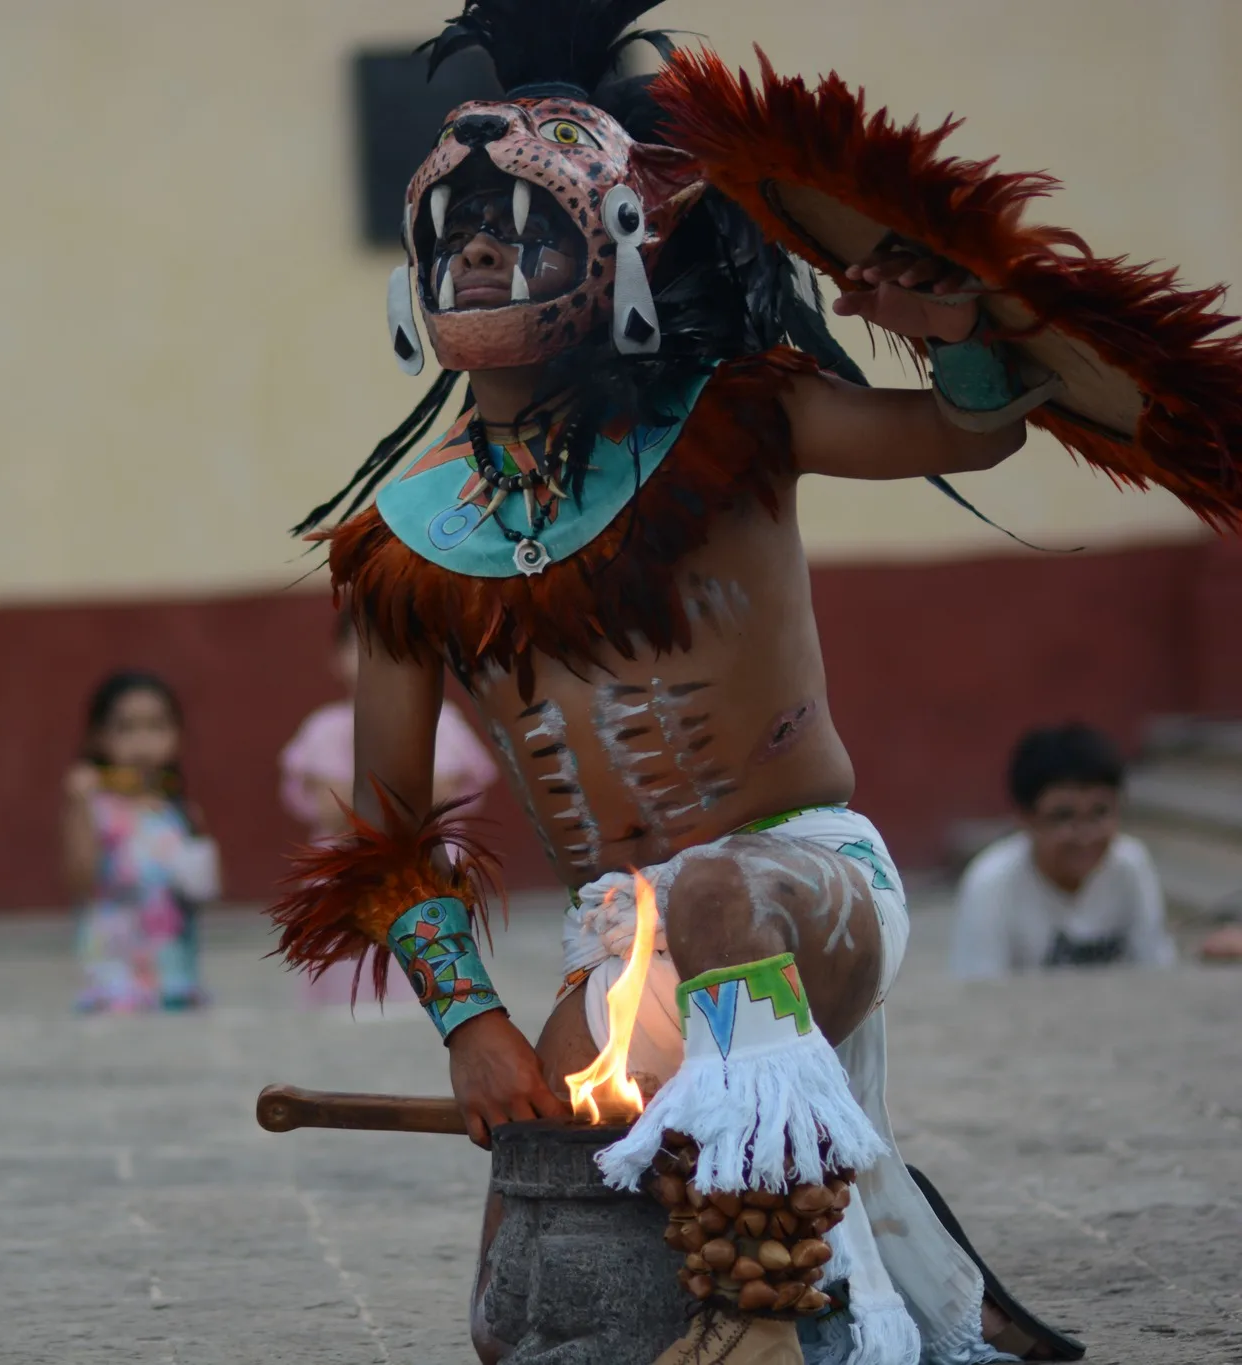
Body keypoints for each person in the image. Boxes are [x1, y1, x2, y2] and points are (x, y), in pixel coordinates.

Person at [264, 4, 1241, 1362]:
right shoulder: (399, 543)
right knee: (535, 1306)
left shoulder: (741, 416)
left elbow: (973, 425)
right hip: (624, 936)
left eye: (519, 220)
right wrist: (476, 1028)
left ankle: (772, 1308)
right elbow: (383, 836)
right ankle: (902, 1252)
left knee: (725, 893)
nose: (479, 250)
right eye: (454, 227)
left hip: (808, 878)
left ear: (610, 247)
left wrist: (945, 320)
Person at [282, 612, 495, 1007]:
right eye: (357, 648)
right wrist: (400, 798)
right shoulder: (324, 726)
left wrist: (370, 800)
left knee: (437, 952)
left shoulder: (440, 719)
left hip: (428, 862)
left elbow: (444, 791)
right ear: (335, 657)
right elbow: (330, 806)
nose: (370, 661)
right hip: (348, 865)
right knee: (349, 967)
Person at [951, 725, 1174, 978]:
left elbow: (1155, 968)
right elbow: (980, 994)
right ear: (1025, 819)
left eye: (1100, 813)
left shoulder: (1131, 865)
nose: (1085, 836)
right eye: (1063, 817)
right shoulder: (992, 883)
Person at [65, 671, 218, 1013]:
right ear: (99, 738)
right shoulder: (96, 811)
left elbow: (204, 889)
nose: (142, 743)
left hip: (176, 979)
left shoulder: (182, 813)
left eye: (156, 727)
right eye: (126, 729)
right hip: (114, 983)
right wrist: (78, 806)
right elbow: (80, 880)